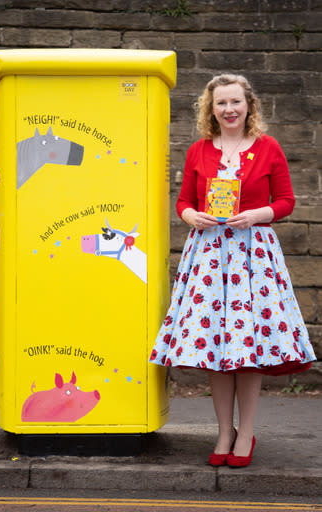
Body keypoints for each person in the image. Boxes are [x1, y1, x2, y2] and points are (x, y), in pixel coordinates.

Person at [149, 74, 316, 468]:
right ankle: (225, 431)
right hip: (209, 255)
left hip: (253, 257)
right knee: (216, 347)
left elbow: (287, 201)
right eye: (221, 103)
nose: (229, 110)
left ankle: (248, 431)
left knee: (247, 348)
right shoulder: (199, 151)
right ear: (211, 108)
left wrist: (257, 215)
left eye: (235, 102)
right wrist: (194, 216)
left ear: (249, 105)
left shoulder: (268, 147)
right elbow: (184, 202)